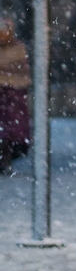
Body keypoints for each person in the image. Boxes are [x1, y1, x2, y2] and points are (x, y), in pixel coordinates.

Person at [0, 15, 31, 174]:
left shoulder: (17, 49)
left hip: (13, 95)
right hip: (11, 96)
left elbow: (20, 71)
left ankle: (6, 158)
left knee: (11, 131)